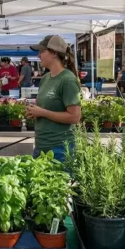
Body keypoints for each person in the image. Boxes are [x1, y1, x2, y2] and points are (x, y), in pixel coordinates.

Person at [26, 35, 81, 163]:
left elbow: (75, 117)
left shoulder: (67, 80)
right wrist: (34, 112)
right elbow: (46, 108)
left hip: (59, 148)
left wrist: (42, 112)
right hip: (41, 146)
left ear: (54, 53)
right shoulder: (45, 78)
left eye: (42, 51)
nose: (39, 55)